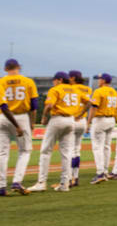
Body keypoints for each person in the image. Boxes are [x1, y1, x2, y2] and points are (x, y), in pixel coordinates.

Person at [28, 72, 89, 192]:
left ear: (60, 80)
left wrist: (44, 116)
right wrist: (81, 114)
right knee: (67, 154)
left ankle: (41, 182)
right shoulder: (76, 90)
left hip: (57, 119)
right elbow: (89, 102)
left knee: (45, 151)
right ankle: (64, 184)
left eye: (54, 80)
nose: (53, 82)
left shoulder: (56, 89)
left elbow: (50, 105)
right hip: (71, 120)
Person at [0, 58, 36, 195]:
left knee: (2, 153)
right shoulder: (28, 81)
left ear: (5, 69)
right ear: (19, 67)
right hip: (21, 118)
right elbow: (34, 106)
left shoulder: (1, 81)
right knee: (25, 151)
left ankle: (1, 186)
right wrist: (31, 123)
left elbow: (2, 106)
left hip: (2, 117)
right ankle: (16, 182)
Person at [87, 73, 117, 184]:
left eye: (100, 79)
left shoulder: (98, 91)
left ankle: (100, 173)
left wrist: (88, 122)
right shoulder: (115, 92)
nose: (98, 80)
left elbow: (94, 107)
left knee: (97, 147)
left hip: (100, 119)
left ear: (104, 80)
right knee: (106, 147)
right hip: (111, 120)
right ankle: (105, 171)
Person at [68, 70, 91, 187]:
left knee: (69, 150)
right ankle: (75, 178)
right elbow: (89, 103)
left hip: (73, 119)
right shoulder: (87, 89)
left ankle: (69, 178)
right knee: (77, 150)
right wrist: (82, 114)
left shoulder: (71, 88)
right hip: (83, 121)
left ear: (72, 78)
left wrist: (78, 114)